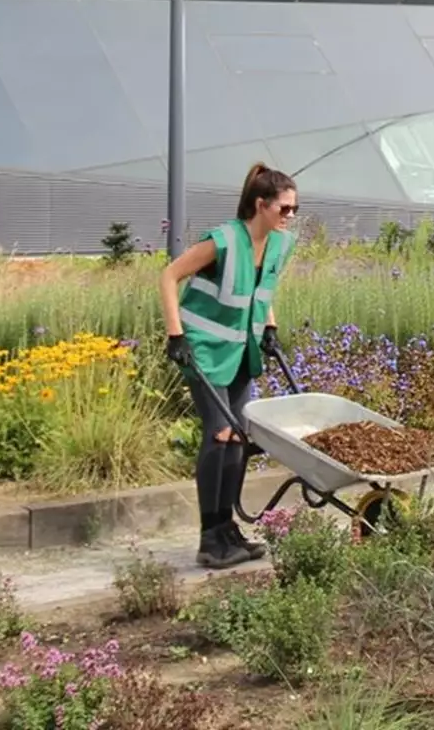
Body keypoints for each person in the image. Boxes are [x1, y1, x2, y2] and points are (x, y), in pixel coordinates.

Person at [159, 163, 300, 569]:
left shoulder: (279, 244)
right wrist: (176, 335)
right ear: (261, 205)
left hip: (243, 348)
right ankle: (209, 537)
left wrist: (270, 327)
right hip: (203, 348)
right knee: (219, 433)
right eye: (285, 209)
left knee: (240, 435)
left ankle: (227, 530)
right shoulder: (223, 240)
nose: (290, 216)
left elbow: (262, 287)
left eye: (294, 208)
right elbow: (169, 276)